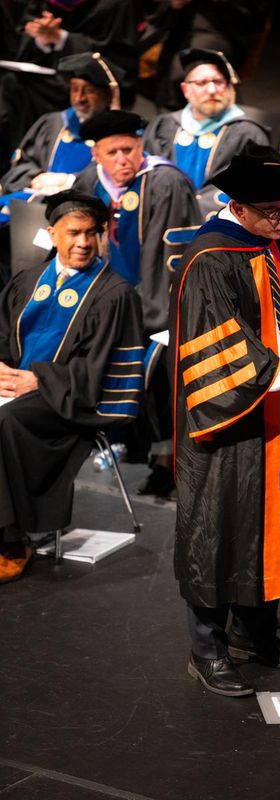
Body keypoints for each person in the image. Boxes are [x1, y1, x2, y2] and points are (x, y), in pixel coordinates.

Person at [169, 142, 280, 697]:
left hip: (273, 415)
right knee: (218, 529)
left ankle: (256, 634)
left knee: (265, 528)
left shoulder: (273, 239)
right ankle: (208, 648)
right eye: (272, 210)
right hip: (228, 421)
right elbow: (219, 348)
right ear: (235, 206)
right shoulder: (210, 258)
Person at [0, 190, 144, 584]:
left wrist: (39, 379)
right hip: (20, 387)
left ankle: (13, 539)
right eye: (73, 233)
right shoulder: (27, 281)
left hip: (72, 400)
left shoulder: (114, 294)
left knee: (6, 423)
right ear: (52, 234)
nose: (83, 242)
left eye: (91, 233)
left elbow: (98, 369)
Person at [74, 109, 202, 497]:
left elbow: (171, 259)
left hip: (158, 309)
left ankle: (167, 462)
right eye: (111, 153)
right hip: (107, 307)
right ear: (96, 154)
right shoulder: (86, 183)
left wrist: (149, 318)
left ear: (141, 145)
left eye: (128, 149)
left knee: (160, 375)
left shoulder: (166, 182)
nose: (122, 160)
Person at [144, 48, 270, 219]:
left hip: (220, 226)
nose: (212, 90)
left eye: (218, 82)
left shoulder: (248, 134)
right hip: (163, 218)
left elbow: (257, 189)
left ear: (228, 87)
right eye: (202, 83)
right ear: (185, 89)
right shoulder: (164, 127)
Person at [0, 52, 124, 207]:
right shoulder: (52, 124)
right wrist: (37, 178)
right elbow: (22, 164)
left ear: (107, 96)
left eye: (89, 91)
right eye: (75, 89)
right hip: (38, 207)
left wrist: (68, 181)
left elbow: (118, 177)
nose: (80, 98)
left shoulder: (119, 134)